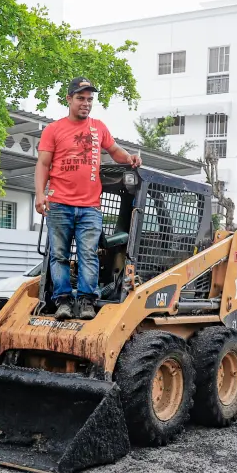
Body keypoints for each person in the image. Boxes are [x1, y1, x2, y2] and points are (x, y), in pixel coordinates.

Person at [34, 77, 142, 321]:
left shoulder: (98, 128)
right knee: (59, 255)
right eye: (81, 98)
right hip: (59, 204)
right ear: (69, 99)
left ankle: (86, 302)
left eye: (90, 99)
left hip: (90, 207)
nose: (86, 103)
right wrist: (40, 195)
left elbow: (115, 151)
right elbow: (42, 163)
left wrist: (129, 158)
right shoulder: (53, 130)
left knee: (89, 254)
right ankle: (62, 301)